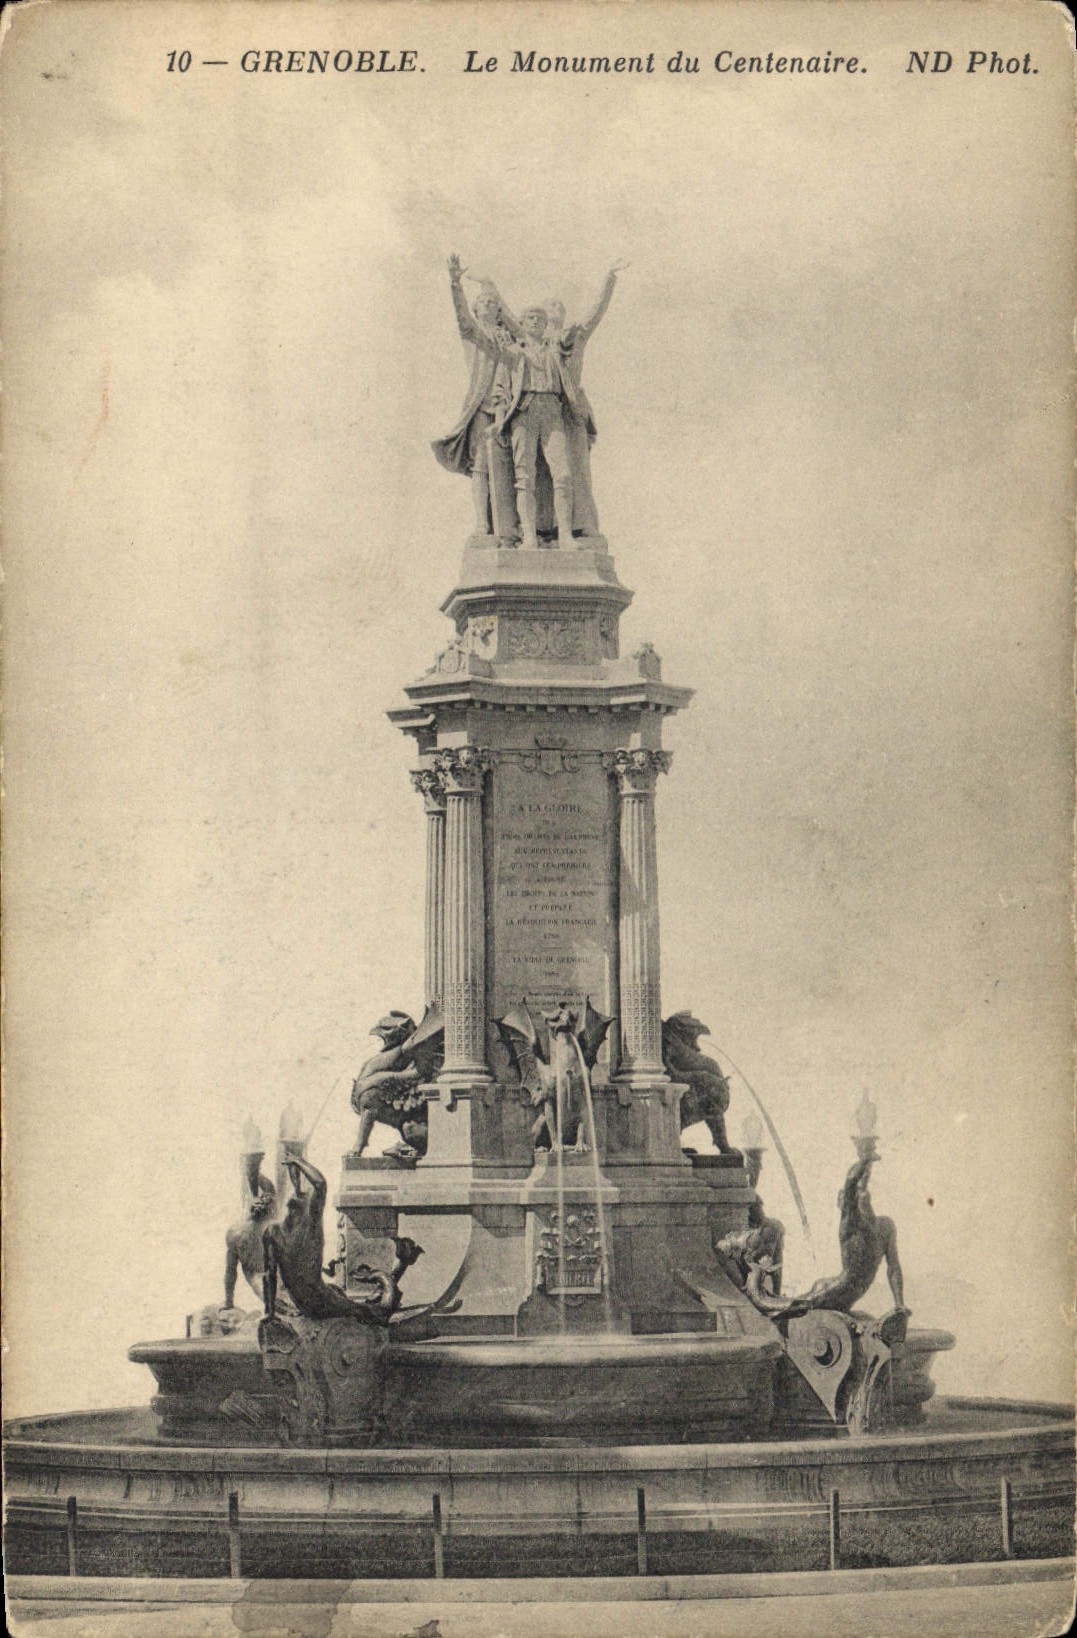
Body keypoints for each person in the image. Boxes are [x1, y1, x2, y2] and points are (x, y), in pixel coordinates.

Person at [448, 254, 581, 551]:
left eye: (540, 319)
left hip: (551, 412)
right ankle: (521, 534)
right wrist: (460, 284)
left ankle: (564, 535)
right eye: (530, 319)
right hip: (515, 411)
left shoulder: (551, 350)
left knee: (562, 475)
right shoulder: (506, 348)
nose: (536, 322)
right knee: (514, 475)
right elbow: (469, 320)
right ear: (521, 324)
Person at [431, 277, 518, 538]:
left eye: (493, 303)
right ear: (477, 309)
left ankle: (511, 526)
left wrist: (494, 289)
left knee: (512, 468)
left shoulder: (509, 338)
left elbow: (519, 327)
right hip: (483, 405)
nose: (489, 306)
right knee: (481, 466)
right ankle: (483, 523)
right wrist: (456, 285)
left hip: (511, 407)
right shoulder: (474, 332)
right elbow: (461, 314)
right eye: (484, 302)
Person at [544, 263, 626, 537]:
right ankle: (550, 528)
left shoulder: (575, 335)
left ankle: (583, 525)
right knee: (548, 472)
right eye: (550, 305)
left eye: (559, 306)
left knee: (578, 468)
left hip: (573, 409)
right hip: (545, 408)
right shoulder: (535, 342)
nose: (556, 308)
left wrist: (609, 279)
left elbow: (596, 311)